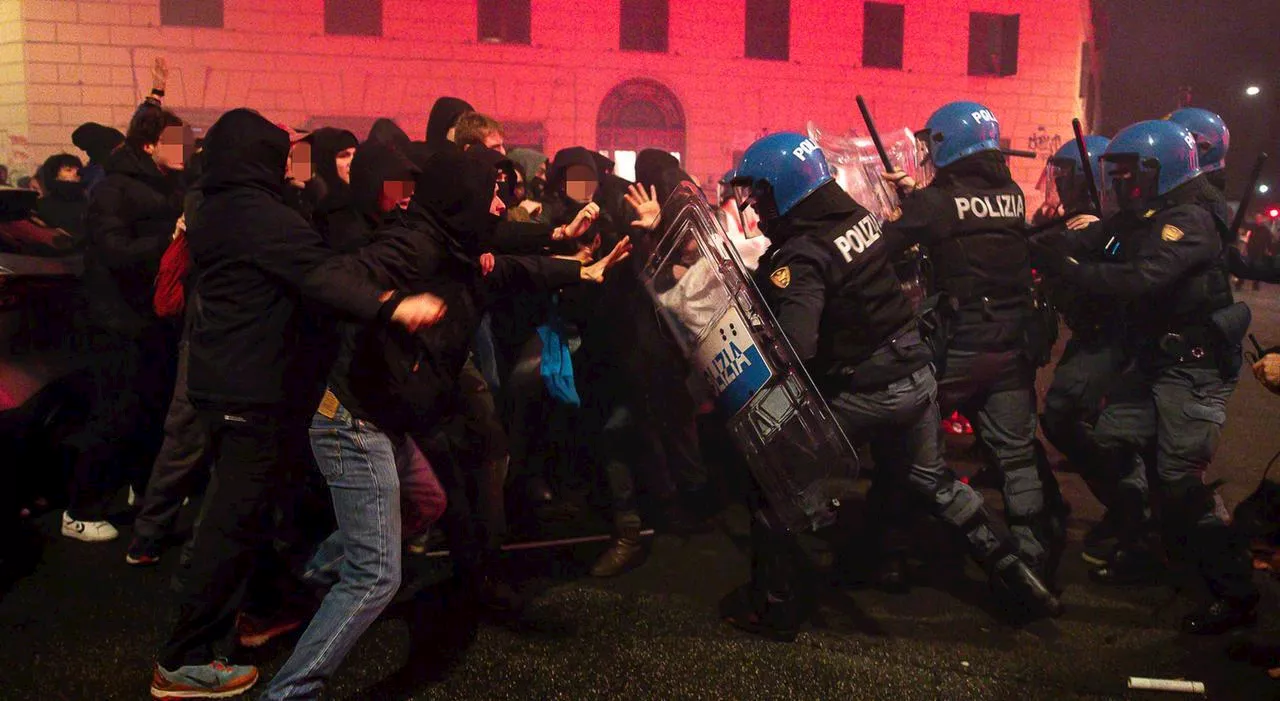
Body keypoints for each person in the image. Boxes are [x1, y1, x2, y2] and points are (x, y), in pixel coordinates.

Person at [149, 108, 449, 700]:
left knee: (234, 518)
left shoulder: (212, 202)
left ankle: (243, 617)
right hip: (249, 388)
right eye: (279, 155)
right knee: (231, 525)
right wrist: (393, 305)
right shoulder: (257, 213)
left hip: (222, 380)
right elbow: (320, 273)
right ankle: (184, 659)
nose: (290, 165)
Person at [719, 133, 1061, 641]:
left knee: (778, 479)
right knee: (935, 482)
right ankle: (1022, 580)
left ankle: (777, 605)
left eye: (760, 194)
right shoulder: (855, 217)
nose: (756, 206)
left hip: (864, 389)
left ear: (783, 190)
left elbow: (798, 344)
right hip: (916, 377)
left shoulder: (802, 254)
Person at [1038, 119, 1258, 634]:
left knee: (1179, 481)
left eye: (1128, 172)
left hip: (1195, 369)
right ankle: (1150, 539)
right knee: (1112, 439)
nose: (1119, 183)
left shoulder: (1190, 220)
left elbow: (1140, 278)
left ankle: (1235, 591)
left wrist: (1068, 268)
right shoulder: (1149, 214)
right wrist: (1049, 243)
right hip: (1156, 364)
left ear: (1160, 170)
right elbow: (1102, 237)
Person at [881, 102, 1068, 585]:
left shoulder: (937, 201)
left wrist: (910, 204)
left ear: (947, 144)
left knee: (906, 440)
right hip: (1011, 343)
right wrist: (920, 197)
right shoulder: (1010, 193)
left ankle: (899, 545)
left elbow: (885, 245)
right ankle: (1034, 553)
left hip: (959, 346)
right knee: (1017, 454)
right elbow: (964, 217)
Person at [63, 99, 187, 543]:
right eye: (176, 143)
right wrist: (168, 238)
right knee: (113, 413)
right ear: (150, 143)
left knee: (150, 409)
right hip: (116, 318)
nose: (184, 150)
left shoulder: (167, 183)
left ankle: (143, 488)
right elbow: (113, 252)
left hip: (150, 317)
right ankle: (80, 508)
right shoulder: (115, 188)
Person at [1030, 136, 1135, 564]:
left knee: (1065, 415)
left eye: (1064, 176)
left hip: (1105, 337)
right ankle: (1129, 505)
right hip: (1092, 335)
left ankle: (1131, 508)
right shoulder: (1085, 220)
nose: (1059, 185)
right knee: (1072, 418)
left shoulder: (1093, 226)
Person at [34, 152, 88, 241]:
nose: (76, 173)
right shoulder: (40, 205)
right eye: (68, 170)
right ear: (54, 175)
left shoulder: (88, 201)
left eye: (77, 170)